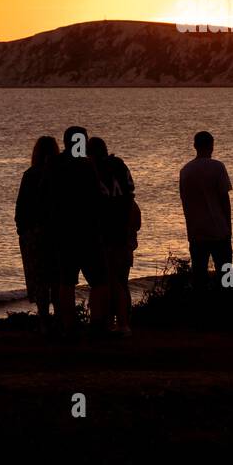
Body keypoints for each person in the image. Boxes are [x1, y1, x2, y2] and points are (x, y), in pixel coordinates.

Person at [46, 125, 101, 336]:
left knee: (66, 281)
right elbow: (96, 196)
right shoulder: (87, 165)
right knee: (98, 281)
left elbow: (46, 195)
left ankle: (68, 325)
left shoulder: (54, 164)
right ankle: (95, 324)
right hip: (86, 231)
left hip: (62, 231)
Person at [88, 136, 138, 337]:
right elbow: (130, 196)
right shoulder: (120, 166)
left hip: (105, 233)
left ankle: (112, 322)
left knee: (107, 279)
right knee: (120, 280)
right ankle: (122, 321)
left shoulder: (94, 172)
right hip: (123, 231)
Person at [178, 131, 233, 289]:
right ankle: (230, 304)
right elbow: (224, 199)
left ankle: (201, 308)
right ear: (212, 145)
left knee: (199, 276)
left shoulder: (185, 171)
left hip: (196, 231)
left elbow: (184, 200)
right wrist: (228, 226)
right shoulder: (217, 167)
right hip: (219, 230)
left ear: (195, 146)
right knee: (227, 274)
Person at [15, 135, 60, 331]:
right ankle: (61, 318)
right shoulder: (61, 174)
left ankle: (44, 320)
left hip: (34, 232)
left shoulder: (30, 174)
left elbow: (21, 207)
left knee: (40, 278)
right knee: (58, 277)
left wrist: (22, 231)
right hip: (57, 231)